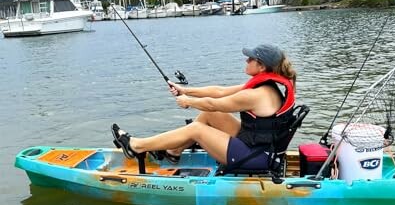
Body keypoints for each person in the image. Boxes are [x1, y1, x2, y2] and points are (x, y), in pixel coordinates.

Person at [111, 43, 297, 171]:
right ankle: (174, 151)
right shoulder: (266, 87)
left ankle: (137, 145)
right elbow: (219, 91)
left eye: (250, 59)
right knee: (211, 115)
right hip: (260, 147)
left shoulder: (257, 94)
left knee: (197, 129)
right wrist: (185, 90)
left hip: (255, 156)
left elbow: (214, 103)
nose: (246, 61)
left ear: (262, 66)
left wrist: (188, 102)